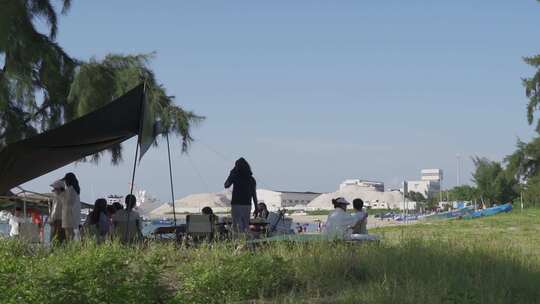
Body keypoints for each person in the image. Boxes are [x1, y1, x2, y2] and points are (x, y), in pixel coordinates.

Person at [224, 158, 258, 233]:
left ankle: (238, 241)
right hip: (247, 204)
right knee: (245, 225)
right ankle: (246, 240)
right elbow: (254, 194)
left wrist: (231, 173)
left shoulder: (235, 176)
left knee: (237, 226)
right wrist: (256, 207)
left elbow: (226, 185)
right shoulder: (251, 179)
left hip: (236, 204)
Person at [61, 173, 81, 241]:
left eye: (65, 181)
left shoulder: (70, 190)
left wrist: (61, 193)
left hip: (68, 215)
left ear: (68, 181)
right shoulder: (75, 190)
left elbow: (67, 202)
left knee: (69, 234)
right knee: (72, 233)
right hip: (73, 215)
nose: (65, 182)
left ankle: (71, 247)